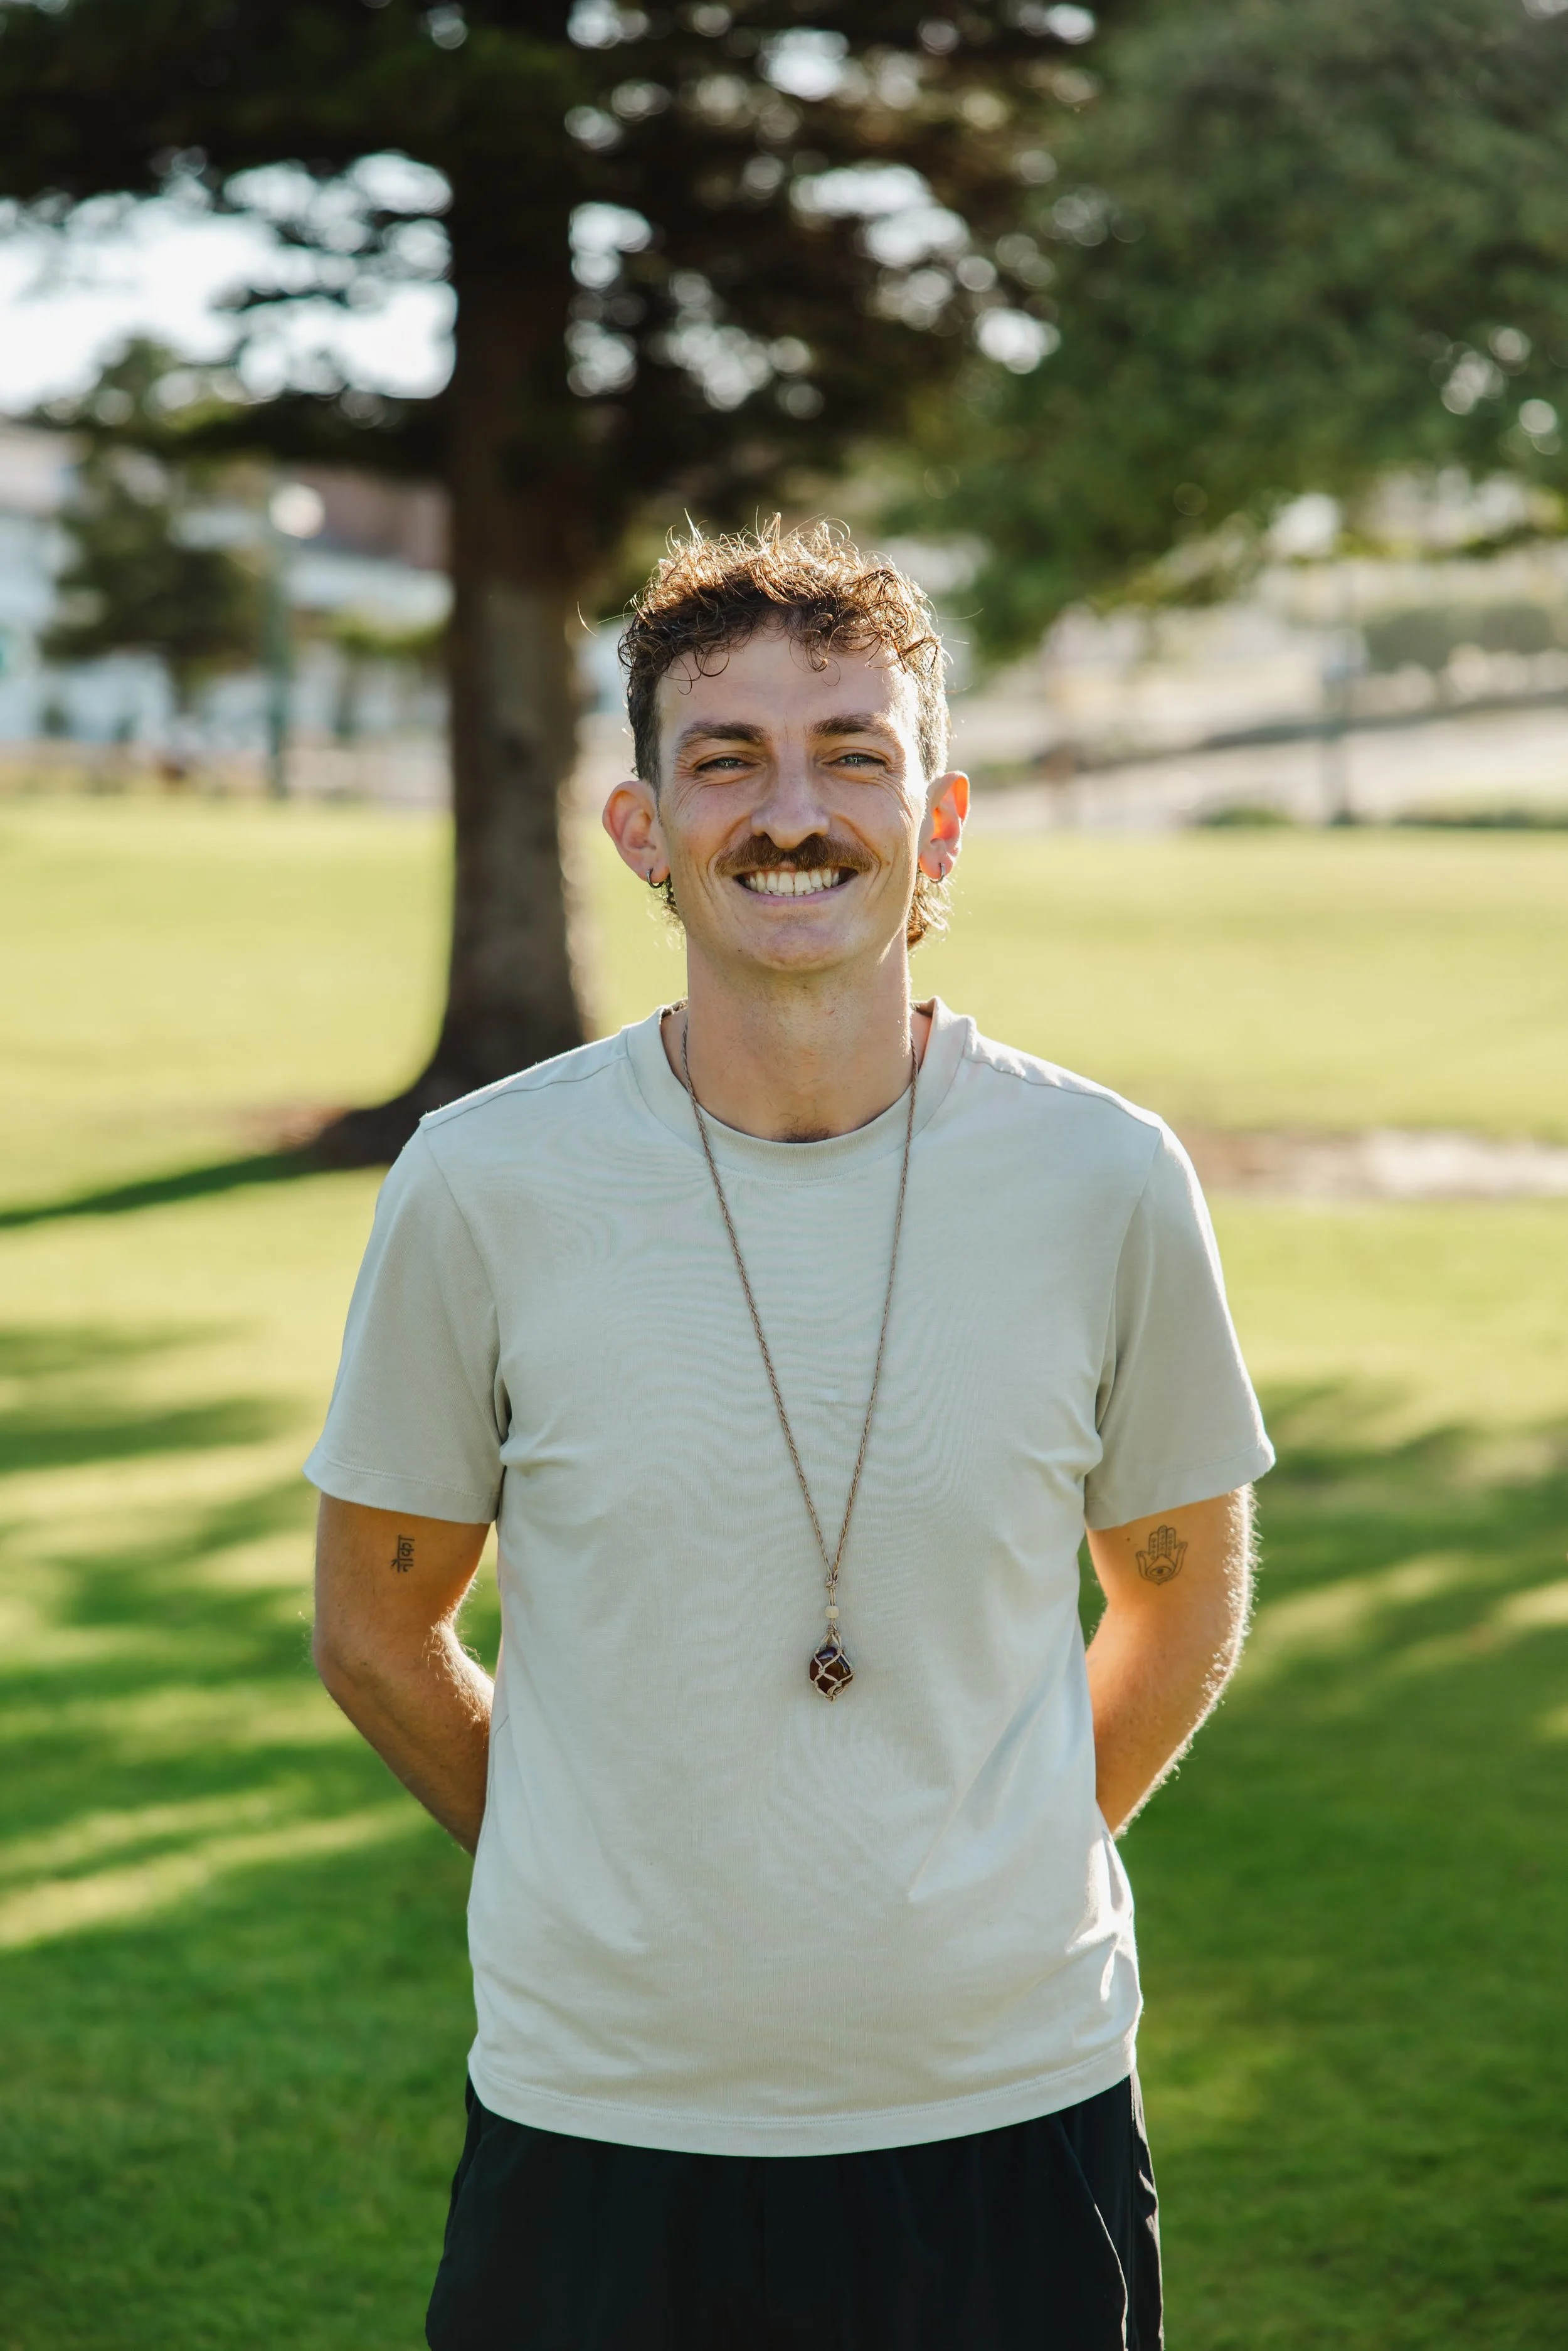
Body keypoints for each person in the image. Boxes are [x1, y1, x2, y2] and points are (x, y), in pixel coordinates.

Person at [306, 524, 1274, 2351]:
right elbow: (375, 1623)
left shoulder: (1103, 1178)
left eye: (851, 751)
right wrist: (594, 1869)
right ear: (640, 828)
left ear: (943, 818)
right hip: (600, 2121)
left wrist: (996, 1868)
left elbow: (1176, 1595)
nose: (791, 810)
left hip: (1007, 2110)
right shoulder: (484, 1182)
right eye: (724, 758)